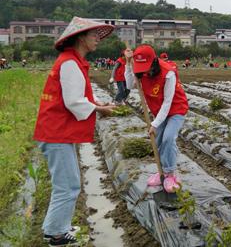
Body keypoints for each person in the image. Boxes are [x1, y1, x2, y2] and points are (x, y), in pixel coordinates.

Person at [33, 17, 116, 246]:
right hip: (56, 133)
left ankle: (58, 227)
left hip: (57, 132)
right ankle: (56, 234)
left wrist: (99, 103)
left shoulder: (73, 61)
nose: (97, 40)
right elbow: (73, 101)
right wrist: (99, 109)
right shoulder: (69, 63)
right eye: (93, 36)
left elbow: (82, 95)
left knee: (67, 183)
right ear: (81, 38)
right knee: (68, 185)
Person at [125, 45, 189, 193]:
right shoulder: (140, 70)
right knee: (158, 141)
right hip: (158, 110)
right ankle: (162, 172)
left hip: (175, 109)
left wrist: (154, 123)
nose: (144, 71)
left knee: (168, 138)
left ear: (153, 61)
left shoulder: (168, 73)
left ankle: (171, 174)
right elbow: (129, 85)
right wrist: (129, 64)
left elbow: (168, 103)